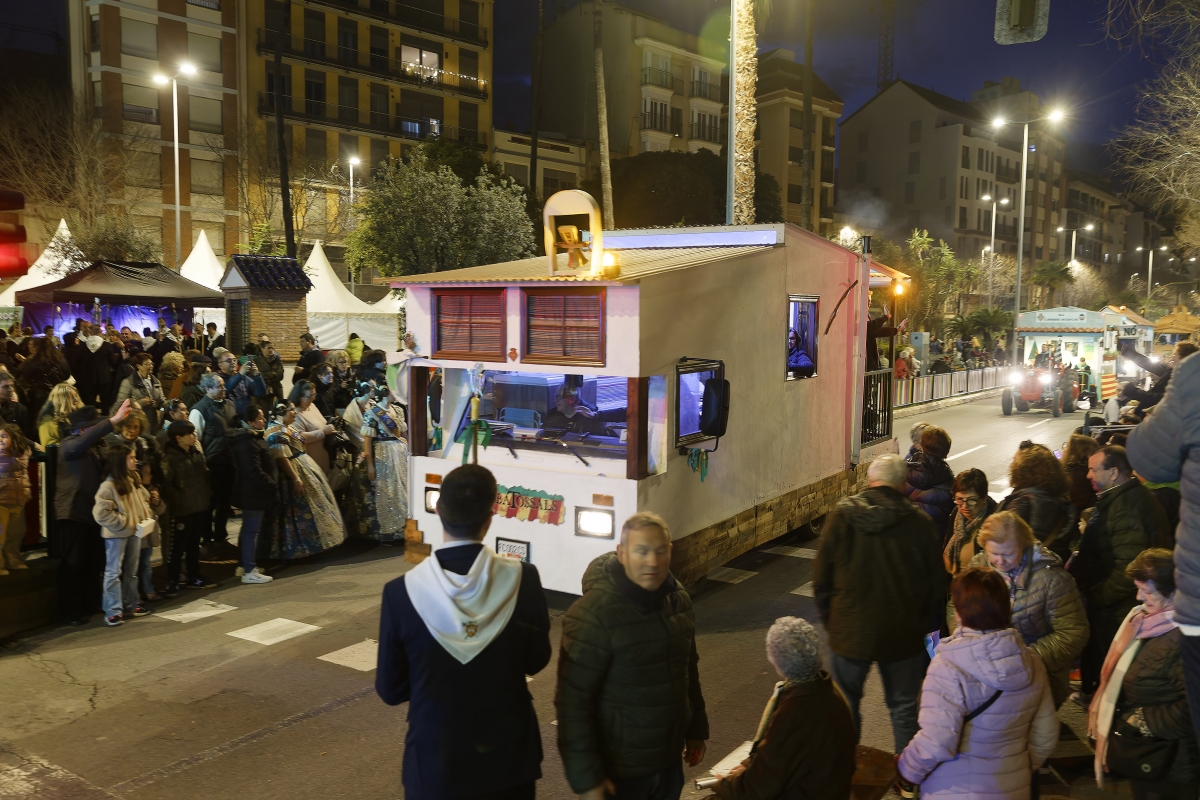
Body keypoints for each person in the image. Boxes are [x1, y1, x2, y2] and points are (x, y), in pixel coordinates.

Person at [376, 464, 551, 799]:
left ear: (439, 510)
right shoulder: (523, 578)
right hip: (509, 760)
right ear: (490, 515)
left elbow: (391, 689)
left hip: (435, 763)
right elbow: (536, 660)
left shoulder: (401, 592)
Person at [557, 512, 709, 800]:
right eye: (641, 551)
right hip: (619, 771)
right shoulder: (593, 614)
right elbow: (573, 705)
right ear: (622, 554)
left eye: (660, 551)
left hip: (668, 762)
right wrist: (588, 779)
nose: (652, 561)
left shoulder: (679, 600)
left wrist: (696, 729)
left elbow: (688, 671)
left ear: (670, 552)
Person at [813, 453, 943, 753]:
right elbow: (934, 585)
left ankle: (844, 773)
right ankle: (907, 781)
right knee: (903, 709)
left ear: (871, 480)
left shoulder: (844, 516)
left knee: (845, 706)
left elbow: (822, 578)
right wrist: (921, 627)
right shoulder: (919, 523)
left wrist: (833, 622)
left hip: (850, 632)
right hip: (902, 635)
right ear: (902, 483)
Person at [898, 568, 1059, 799]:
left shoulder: (947, 665)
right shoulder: (1031, 661)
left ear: (961, 614)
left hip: (953, 791)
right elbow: (1047, 734)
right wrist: (1015, 769)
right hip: (1015, 788)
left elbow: (937, 741)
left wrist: (906, 769)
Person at [1088, 548, 1200, 796]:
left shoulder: (1186, 638)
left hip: (1173, 763)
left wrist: (1142, 721)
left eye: (1148, 591)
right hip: (1149, 755)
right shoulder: (1144, 622)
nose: (1139, 597)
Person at [710, 617, 857, 800]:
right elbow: (775, 759)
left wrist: (724, 783)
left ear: (776, 661)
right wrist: (749, 765)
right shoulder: (827, 688)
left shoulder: (796, 710)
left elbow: (758, 787)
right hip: (828, 785)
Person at [1075, 445, 1173, 702]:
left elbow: (1128, 570)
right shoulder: (1123, 498)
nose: (1088, 475)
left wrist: (1097, 596)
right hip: (1117, 605)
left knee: (1116, 675)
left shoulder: (1126, 507)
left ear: (1114, 471)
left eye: (1093, 469)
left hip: (1118, 608)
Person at [961, 512, 1088, 707]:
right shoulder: (978, 565)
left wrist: (1023, 659)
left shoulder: (1053, 580)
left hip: (1036, 678)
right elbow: (957, 604)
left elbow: (1074, 632)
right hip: (985, 673)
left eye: (1008, 554)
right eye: (993, 553)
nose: (1000, 561)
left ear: (1023, 544)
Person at [56, 399, 132, 625]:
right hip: (73, 511)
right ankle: (71, 611)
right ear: (80, 430)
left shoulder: (98, 447)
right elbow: (79, 445)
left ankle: (90, 603)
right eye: (93, 427)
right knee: (74, 563)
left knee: (93, 561)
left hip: (94, 513)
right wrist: (112, 421)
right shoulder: (69, 445)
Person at [263, 402, 345, 559]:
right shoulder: (276, 433)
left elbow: (302, 439)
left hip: (303, 465)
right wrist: (295, 478)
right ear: (281, 413)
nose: (294, 413)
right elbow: (282, 458)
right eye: (291, 410)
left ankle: (313, 545)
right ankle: (298, 548)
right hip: (292, 473)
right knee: (295, 511)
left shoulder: (288, 427)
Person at [93, 442, 162, 626]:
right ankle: (112, 610)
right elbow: (100, 513)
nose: (135, 460)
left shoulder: (132, 478)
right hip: (117, 534)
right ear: (119, 461)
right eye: (131, 457)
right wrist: (124, 522)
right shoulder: (108, 485)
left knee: (131, 570)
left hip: (135, 531)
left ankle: (130, 604)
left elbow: (141, 500)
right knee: (113, 571)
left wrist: (144, 514)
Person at [160, 419, 215, 595]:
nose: (193, 436)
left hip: (199, 507)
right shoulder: (168, 457)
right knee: (177, 547)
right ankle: (173, 581)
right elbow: (166, 484)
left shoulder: (195, 453)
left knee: (193, 545)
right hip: (181, 510)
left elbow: (204, 478)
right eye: (189, 434)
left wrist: (207, 496)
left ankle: (194, 576)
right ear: (178, 438)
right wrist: (178, 501)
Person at [996, 441, 1076, 562]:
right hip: (1052, 567)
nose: (1011, 465)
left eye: (1015, 461)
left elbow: (1002, 544)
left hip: (1025, 571)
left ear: (1025, 469)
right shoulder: (1062, 501)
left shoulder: (1021, 502)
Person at [227, 407, 276, 584]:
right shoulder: (246, 442)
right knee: (251, 531)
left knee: (249, 530)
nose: (264, 420)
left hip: (254, 493)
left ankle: (246, 565)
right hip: (253, 493)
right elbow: (252, 470)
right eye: (261, 418)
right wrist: (271, 484)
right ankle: (249, 569)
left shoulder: (251, 438)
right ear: (250, 422)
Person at [188, 373, 237, 551]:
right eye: (220, 386)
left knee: (225, 503)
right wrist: (203, 464)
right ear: (208, 389)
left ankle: (221, 537)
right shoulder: (199, 410)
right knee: (209, 504)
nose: (224, 389)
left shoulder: (230, 404)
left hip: (229, 461)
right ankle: (207, 539)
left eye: (224, 385)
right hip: (212, 464)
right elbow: (195, 440)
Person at [359, 383, 409, 542]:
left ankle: (406, 528)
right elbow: (367, 441)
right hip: (384, 453)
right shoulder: (372, 413)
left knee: (404, 489)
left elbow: (403, 433)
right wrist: (370, 465)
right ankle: (392, 532)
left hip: (400, 452)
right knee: (389, 491)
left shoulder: (398, 410)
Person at [0, 422, 41, 574]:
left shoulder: (22, 452)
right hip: (2, 500)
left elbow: (21, 462)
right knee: (0, 535)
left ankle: (13, 560)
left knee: (16, 533)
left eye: (4, 436)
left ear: (14, 438)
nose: (1, 440)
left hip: (18, 499)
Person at [942, 468, 997, 576]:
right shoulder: (956, 513)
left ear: (984, 498)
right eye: (959, 499)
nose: (965, 506)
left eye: (972, 500)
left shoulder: (993, 522)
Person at [903, 425, 955, 537]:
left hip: (906, 535)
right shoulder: (950, 481)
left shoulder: (905, 470)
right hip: (934, 538)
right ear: (946, 451)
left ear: (922, 447)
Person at [288, 380, 336, 476]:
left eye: (314, 395)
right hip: (312, 460)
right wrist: (322, 432)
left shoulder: (312, 406)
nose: (312, 399)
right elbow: (299, 438)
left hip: (324, 456)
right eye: (309, 396)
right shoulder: (295, 414)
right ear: (298, 396)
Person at [17, 335, 70, 420]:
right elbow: (67, 375)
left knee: (40, 419)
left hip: (39, 397)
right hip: (60, 394)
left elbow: (25, 378)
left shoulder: (33, 362)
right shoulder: (61, 360)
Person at [111, 353, 163, 432]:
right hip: (136, 423)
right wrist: (140, 403)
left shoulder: (156, 381)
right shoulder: (128, 382)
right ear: (139, 366)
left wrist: (159, 403)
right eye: (147, 364)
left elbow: (162, 399)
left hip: (153, 422)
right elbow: (120, 403)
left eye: (152, 363)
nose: (151, 366)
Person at [213, 347, 266, 418]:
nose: (233, 362)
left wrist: (257, 375)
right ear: (220, 365)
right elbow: (225, 390)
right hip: (229, 418)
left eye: (234, 360)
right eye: (229, 360)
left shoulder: (243, 377)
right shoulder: (216, 377)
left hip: (247, 417)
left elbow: (260, 393)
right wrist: (240, 374)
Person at [1062, 433, 1100, 515]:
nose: (1064, 448)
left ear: (1073, 452)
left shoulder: (1071, 474)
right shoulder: (1089, 469)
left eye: (1067, 446)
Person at [37, 383, 83, 447]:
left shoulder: (77, 413)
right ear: (62, 400)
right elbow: (51, 448)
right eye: (71, 397)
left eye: (76, 396)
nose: (76, 400)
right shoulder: (48, 422)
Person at [0, 370, 34, 442]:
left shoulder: (20, 409)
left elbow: (25, 435)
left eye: (12, 386)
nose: (10, 389)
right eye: (6, 386)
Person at [253, 341, 284, 411]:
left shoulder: (277, 361)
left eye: (272, 348)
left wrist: (266, 375)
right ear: (262, 349)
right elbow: (256, 376)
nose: (271, 350)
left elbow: (280, 376)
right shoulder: (256, 361)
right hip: (262, 393)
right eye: (269, 348)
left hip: (276, 391)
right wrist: (273, 374)